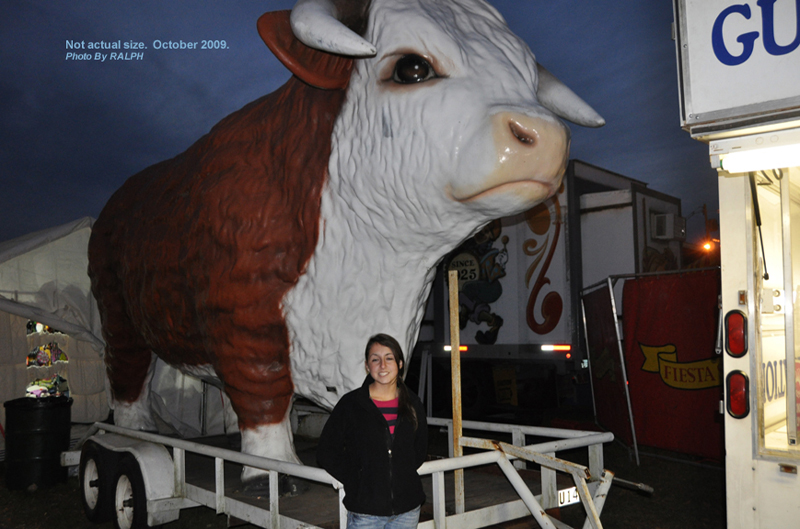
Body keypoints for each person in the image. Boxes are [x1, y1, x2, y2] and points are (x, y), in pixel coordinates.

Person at [317, 333, 428, 528]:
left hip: (407, 510)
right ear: (368, 366)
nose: (382, 365)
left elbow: (419, 451)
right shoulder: (351, 404)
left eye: (389, 358)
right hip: (366, 513)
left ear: (400, 364)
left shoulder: (413, 404)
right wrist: (357, 479)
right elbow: (326, 451)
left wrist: (401, 474)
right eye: (375, 359)